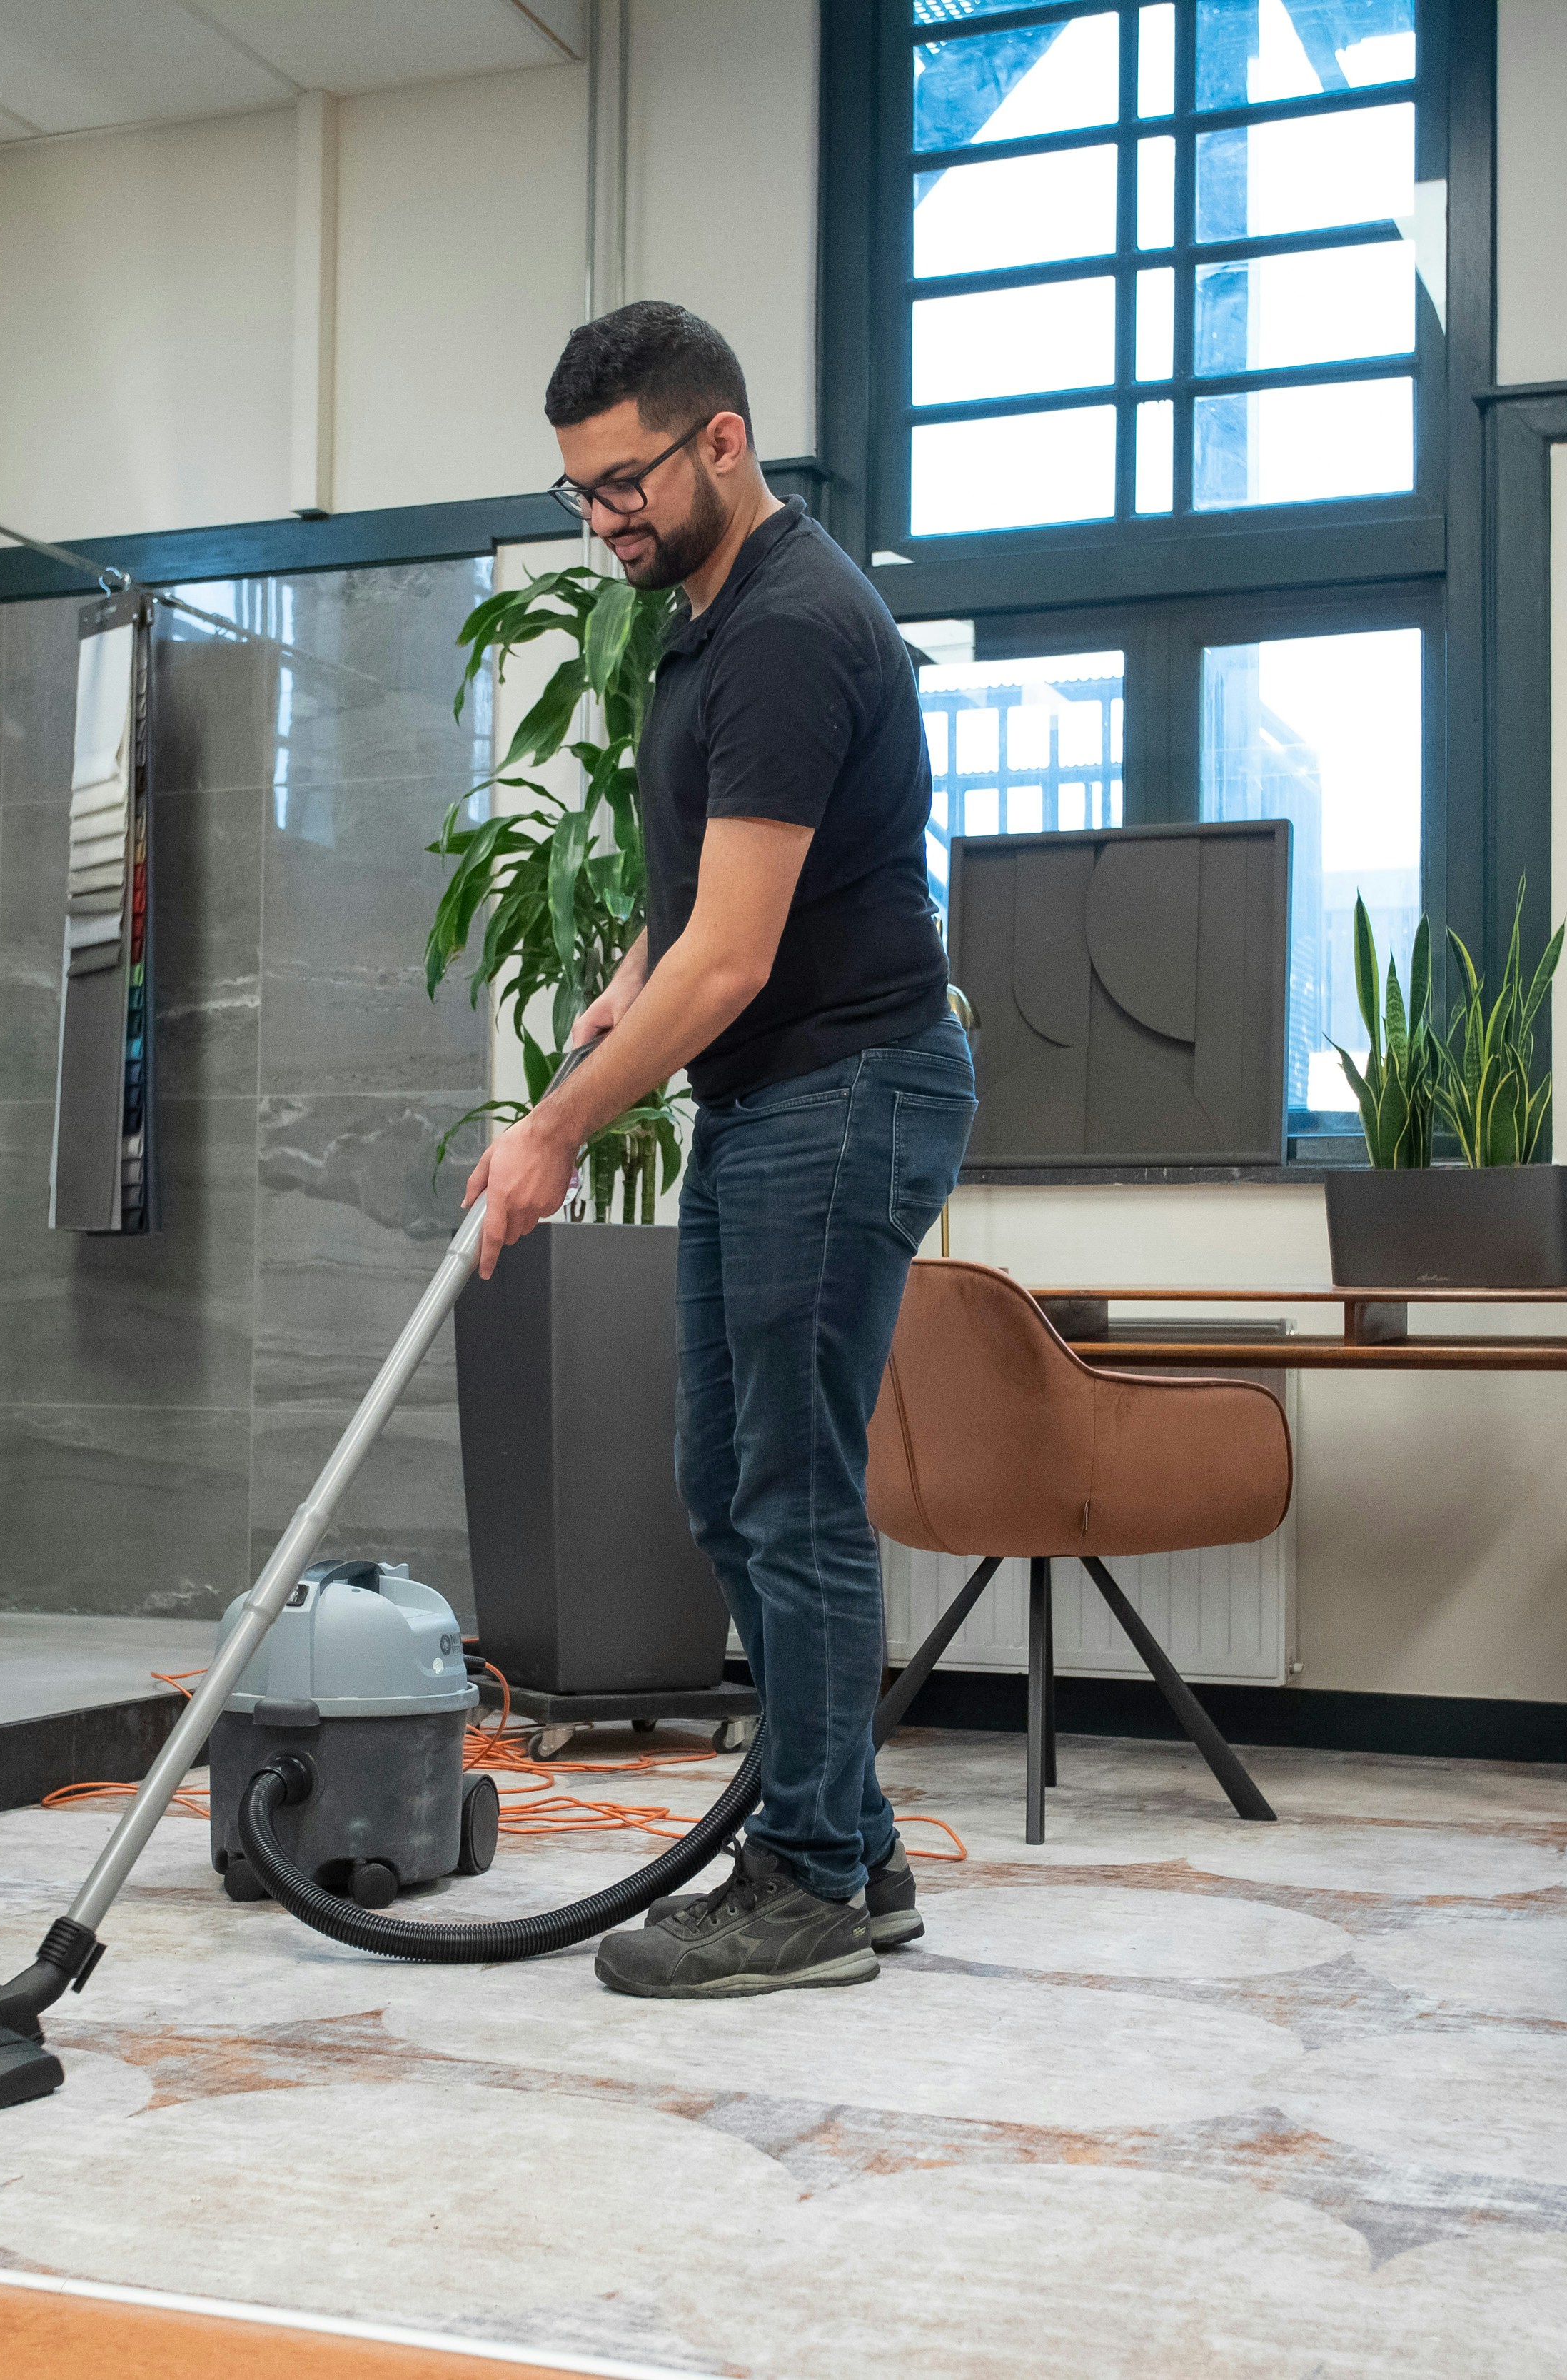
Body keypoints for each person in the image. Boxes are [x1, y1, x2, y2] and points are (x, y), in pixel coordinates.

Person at [463, 301, 979, 2000]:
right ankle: (858, 1845)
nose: (601, 516)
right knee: (728, 1478)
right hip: (782, 1094)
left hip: (842, 1085)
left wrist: (550, 1128)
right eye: (577, 493)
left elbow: (740, 955)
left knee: (786, 1489)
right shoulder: (703, 613)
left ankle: (813, 1875)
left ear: (719, 443)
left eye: (621, 482)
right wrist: (622, 986)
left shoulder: (781, 629)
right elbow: (702, 901)